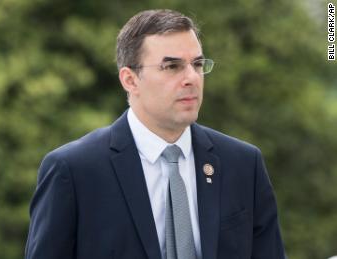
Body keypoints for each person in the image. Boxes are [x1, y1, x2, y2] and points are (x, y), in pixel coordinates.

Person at [25, 9, 286, 259]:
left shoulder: (242, 164)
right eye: (172, 66)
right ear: (130, 80)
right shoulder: (73, 170)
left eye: (197, 64)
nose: (191, 78)